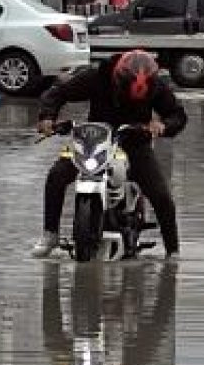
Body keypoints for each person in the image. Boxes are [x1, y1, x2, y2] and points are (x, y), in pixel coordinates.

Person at [32, 50, 187, 259]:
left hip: (134, 142)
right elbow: (58, 92)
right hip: (92, 140)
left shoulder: (157, 85)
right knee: (57, 175)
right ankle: (50, 234)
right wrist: (48, 117)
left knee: (161, 196)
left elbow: (177, 114)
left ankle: (173, 251)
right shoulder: (97, 76)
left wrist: (164, 126)